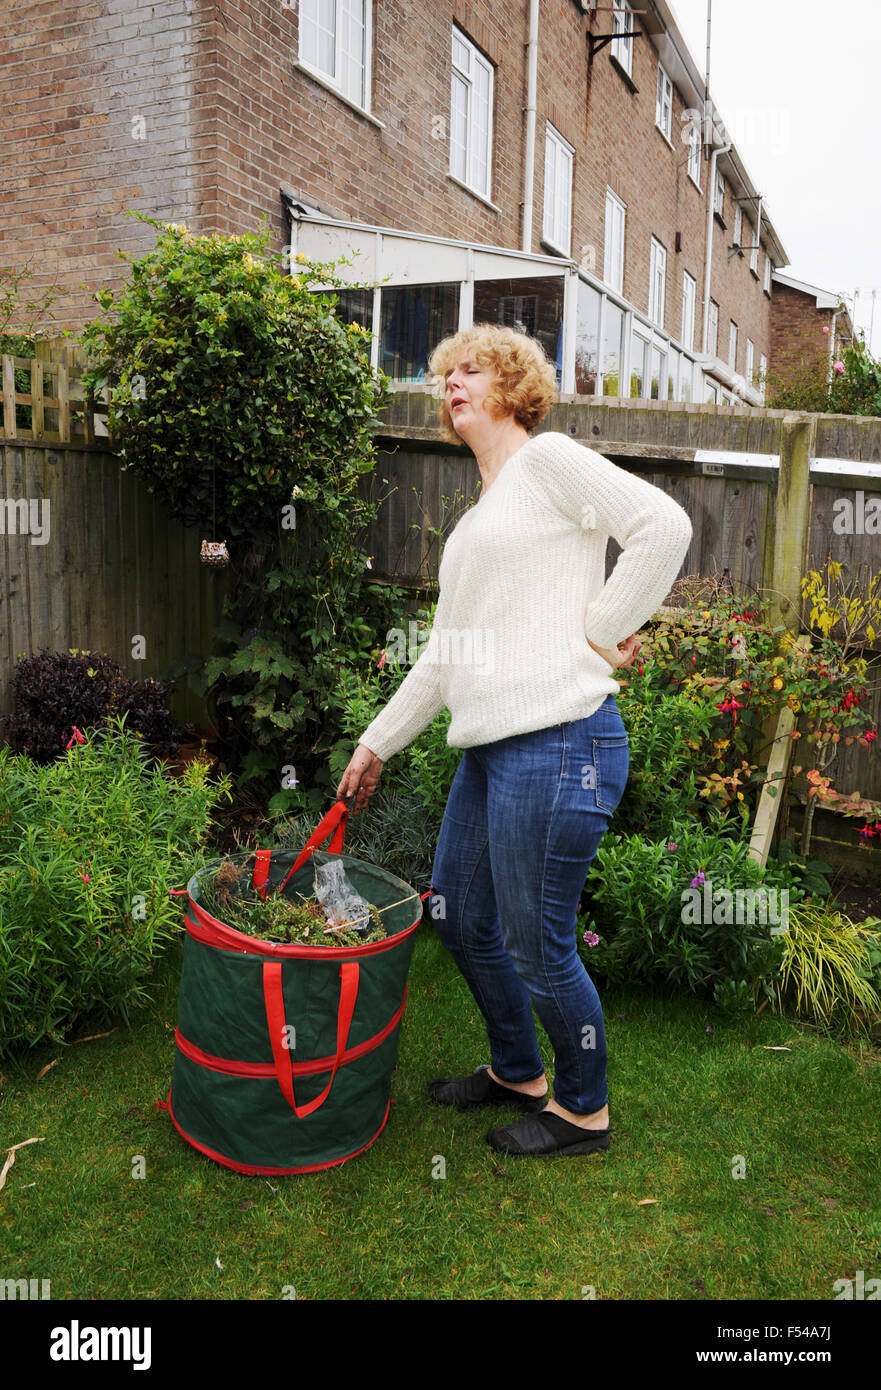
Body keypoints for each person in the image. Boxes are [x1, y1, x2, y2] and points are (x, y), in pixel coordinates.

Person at [336, 323, 692, 1157]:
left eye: (470, 370)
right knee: (458, 916)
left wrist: (602, 627)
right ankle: (516, 1072)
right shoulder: (485, 512)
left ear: (512, 386)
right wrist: (375, 743)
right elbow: (443, 655)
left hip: (562, 741)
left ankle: (581, 1110)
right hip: (494, 750)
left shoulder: (545, 460)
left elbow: (662, 526)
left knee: (539, 947)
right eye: (443, 375)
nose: (451, 384)